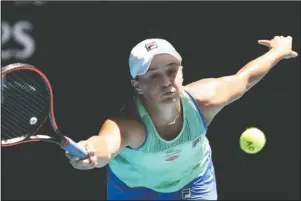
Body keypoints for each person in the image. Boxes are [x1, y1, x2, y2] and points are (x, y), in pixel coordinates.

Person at [66, 36, 298, 200]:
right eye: (154, 75)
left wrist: (278, 51)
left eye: (171, 70)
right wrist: (91, 151)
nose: (166, 81)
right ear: (137, 85)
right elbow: (105, 144)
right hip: (134, 191)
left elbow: (245, 78)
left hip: (193, 180)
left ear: (182, 72)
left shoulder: (207, 99)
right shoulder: (129, 124)